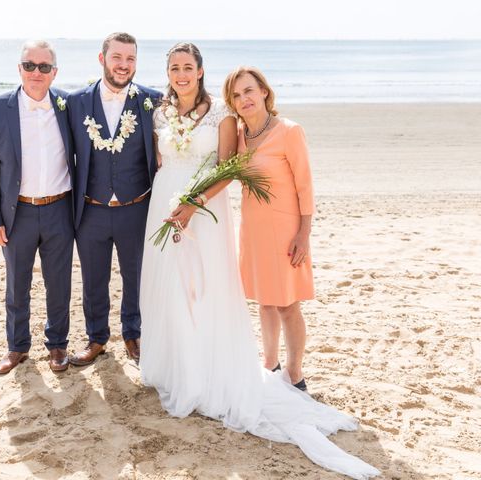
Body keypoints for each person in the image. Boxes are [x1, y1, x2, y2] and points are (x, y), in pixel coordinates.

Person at [139, 44, 380, 479]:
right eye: (173, 67)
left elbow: (231, 170)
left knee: (267, 299)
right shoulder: (164, 113)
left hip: (222, 214)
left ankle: (293, 373)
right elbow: (161, 159)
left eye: (188, 67)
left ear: (200, 71)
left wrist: (195, 201)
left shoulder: (248, 123)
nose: (181, 74)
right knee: (199, 293)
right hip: (185, 207)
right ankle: (223, 364)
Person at [0, 40, 75, 374]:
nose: (36, 72)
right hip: (16, 213)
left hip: (60, 208)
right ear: (19, 68)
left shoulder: (68, 105)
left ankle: (58, 346)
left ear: (54, 72)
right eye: (30, 65)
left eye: (44, 67)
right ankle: (17, 347)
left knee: (59, 283)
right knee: (17, 284)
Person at [66, 33, 162, 366]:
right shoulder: (76, 102)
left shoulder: (153, 101)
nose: (123, 65)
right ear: (102, 59)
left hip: (136, 209)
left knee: (135, 277)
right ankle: (96, 338)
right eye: (117, 58)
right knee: (94, 279)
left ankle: (133, 335)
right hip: (91, 210)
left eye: (130, 59)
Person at [223, 66, 313, 391]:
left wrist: (304, 234)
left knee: (288, 303)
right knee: (265, 299)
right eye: (236, 95)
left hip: (286, 229)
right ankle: (270, 364)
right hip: (253, 229)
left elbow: (305, 186)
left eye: (248, 90)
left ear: (263, 91)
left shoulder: (289, 131)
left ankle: (295, 373)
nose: (243, 98)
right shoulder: (239, 136)